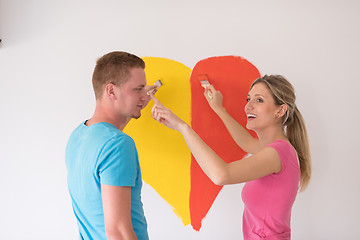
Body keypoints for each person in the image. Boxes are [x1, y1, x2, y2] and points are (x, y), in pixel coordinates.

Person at [150, 75, 311, 240]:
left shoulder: (277, 153)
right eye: (248, 99)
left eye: (259, 100)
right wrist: (219, 109)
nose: (248, 106)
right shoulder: (276, 149)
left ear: (281, 110)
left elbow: (221, 175)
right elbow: (246, 142)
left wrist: (182, 127)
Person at [66, 51, 156, 240]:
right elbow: (118, 232)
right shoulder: (118, 145)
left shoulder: (78, 136)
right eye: (138, 89)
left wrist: (136, 102)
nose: (144, 95)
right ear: (111, 91)